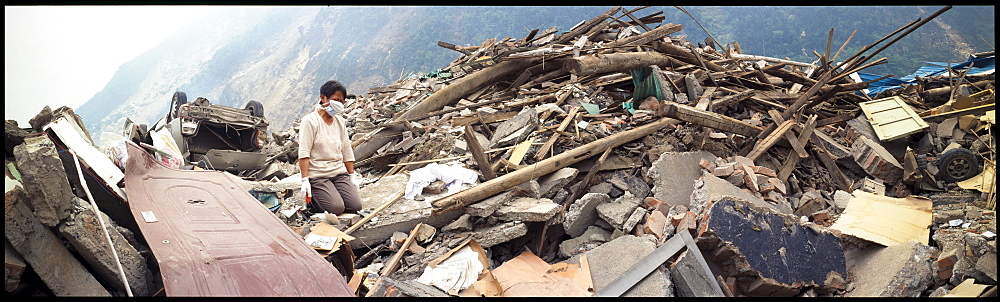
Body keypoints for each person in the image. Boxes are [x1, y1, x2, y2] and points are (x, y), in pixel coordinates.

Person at [298, 80, 362, 215]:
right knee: (336, 208)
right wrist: (305, 180)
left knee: (355, 206)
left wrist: (352, 175)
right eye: (335, 100)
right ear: (323, 98)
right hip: (318, 175)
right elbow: (304, 153)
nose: (338, 104)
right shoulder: (310, 121)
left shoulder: (340, 122)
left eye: (341, 102)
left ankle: (330, 194)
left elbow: (346, 150)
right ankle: (313, 202)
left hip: (339, 173)